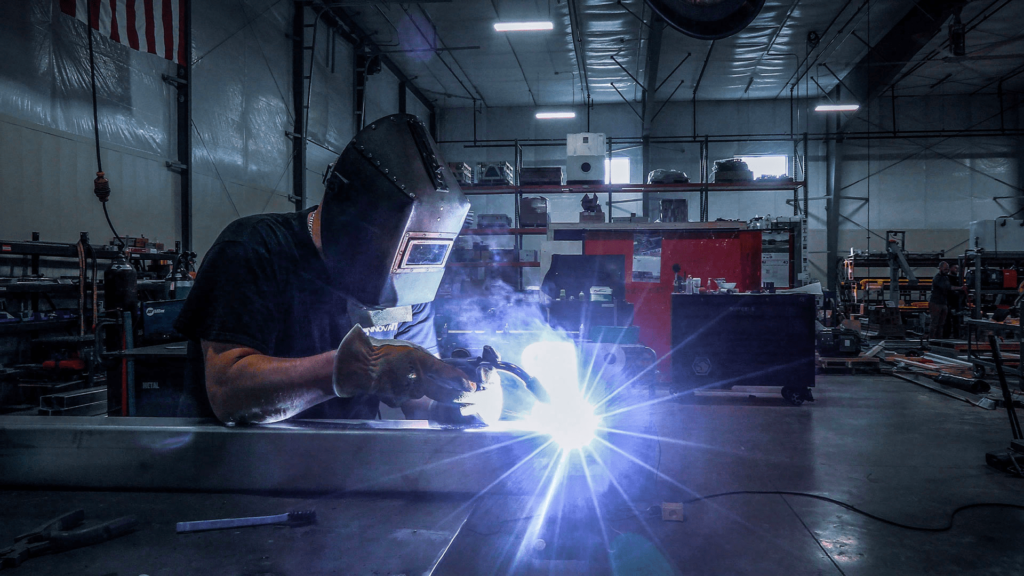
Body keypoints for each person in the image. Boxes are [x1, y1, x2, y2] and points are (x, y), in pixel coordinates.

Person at [173, 114, 481, 425]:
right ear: (351, 216)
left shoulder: (409, 284)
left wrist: (458, 399)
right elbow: (228, 392)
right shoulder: (254, 248)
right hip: (237, 466)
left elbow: (420, 395)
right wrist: (357, 370)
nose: (397, 279)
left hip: (349, 464)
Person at [929, 261, 954, 341]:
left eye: (947, 268)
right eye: (945, 268)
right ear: (940, 268)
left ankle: (938, 339)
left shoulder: (945, 277)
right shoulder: (937, 278)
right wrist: (960, 288)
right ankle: (932, 340)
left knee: (941, 323)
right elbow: (947, 287)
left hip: (943, 302)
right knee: (935, 323)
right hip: (936, 303)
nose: (947, 270)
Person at [944, 263, 964, 339]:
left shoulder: (958, 279)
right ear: (950, 268)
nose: (957, 269)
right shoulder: (947, 278)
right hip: (949, 302)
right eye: (955, 267)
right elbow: (949, 288)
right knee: (947, 322)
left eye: (957, 268)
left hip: (957, 303)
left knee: (957, 321)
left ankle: (957, 336)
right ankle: (946, 337)